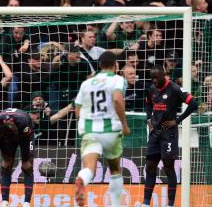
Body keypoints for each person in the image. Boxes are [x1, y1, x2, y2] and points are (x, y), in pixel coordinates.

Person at [73, 51, 130, 207]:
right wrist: (124, 124)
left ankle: (82, 179)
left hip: (90, 131)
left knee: (89, 168)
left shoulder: (86, 83)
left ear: (99, 65)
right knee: (115, 169)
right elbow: (118, 99)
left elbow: (77, 110)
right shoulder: (118, 79)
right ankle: (116, 205)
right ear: (116, 65)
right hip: (110, 130)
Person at [142, 65, 198, 207]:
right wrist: (149, 118)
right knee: (150, 166)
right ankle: (146, 203)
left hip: (169, 133)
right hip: (155, 133)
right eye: (152, 78)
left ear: (163, 75)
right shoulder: (152, 89)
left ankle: (170, 204)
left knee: (168, 167)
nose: (154, 81)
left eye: (156, 78)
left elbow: (193, 103)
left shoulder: (174, 88)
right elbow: (148, 103)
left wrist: (177, 121)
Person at [0, 108, 35, 207]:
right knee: (6, 165)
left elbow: (26, 140)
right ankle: (5, 202)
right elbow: (0, 140)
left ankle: (26, 203)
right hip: (7, 136)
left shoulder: (23, 122)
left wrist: (25, 159)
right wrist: (5, 158)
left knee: (27, 166)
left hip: (26, 134)